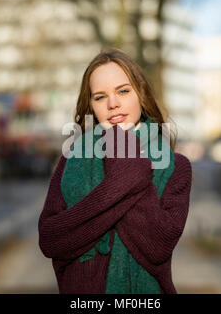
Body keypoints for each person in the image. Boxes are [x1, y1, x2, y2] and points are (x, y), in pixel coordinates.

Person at [38, 47, 193, 294]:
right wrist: (132, 174)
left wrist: (124, 156)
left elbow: (158, 245)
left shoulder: (175, 167)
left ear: (141, 95)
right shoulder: (72, 160)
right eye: (100, 97)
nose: (112, 104)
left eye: (123, 91)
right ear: (91, 106)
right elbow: (51, 240)